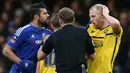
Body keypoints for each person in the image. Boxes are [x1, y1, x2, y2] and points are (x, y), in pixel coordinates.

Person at [37, 7, 96, 73]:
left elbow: (39, 57)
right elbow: (93, 56)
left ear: (60, 21)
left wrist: (43, 42)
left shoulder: (54, 35)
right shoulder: (83, 32)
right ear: (74, 19)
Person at [3, 2, 53, 73]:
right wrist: (21, 63)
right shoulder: (24, 31)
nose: (48, 15)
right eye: (44, 13)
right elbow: (6, 50)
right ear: (36, 17)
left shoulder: (48, 32)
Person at [86, 4, 123, 73]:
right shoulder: (89, 28)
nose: (91, 20)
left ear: (102, 16)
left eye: (93, 16)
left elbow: (116, 24)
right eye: (90, 17)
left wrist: (106, 15)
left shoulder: (112, 29)